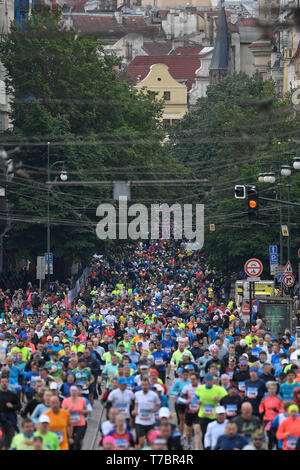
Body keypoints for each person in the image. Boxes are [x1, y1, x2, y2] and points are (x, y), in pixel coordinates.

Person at [196, 373, 227, 447]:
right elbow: (196, 396)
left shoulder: (218, 389)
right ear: (205, 381)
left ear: (212, 381)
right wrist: (198, 401)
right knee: (205, 434)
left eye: (210, 380)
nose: (209, 382)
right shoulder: (200, 388)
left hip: (214, 416)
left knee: (213, 434)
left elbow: (226, 399)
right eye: (207, 380)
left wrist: (219, 400)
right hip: (203, 415)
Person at [132, 377, 160, 449]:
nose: (144, 387)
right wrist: (135, 410)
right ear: (141, 385)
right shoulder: (137, 394)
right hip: (139, 421)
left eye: (146, 385)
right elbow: (136, 404)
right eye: (143, 385)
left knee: (150, 441)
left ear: (149, 385)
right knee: (141, 442)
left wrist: (154, 409)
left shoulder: (154, 395)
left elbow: (158, 405)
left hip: (150, 422)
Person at [61, 385, 88, 450]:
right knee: (70, 443)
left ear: (77, 392)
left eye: (75, 391)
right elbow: (63, 413)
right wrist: (69, 410)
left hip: (80, 423)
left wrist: (82, 411)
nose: (73, 392)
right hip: (69, 424)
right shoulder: (66, 400)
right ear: (70, 392)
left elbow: (87, 411)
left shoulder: (82, 400)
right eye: (72, 391)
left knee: (77, 441)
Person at [0, 375, 21, 449]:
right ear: (0, 383)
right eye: (2, 382)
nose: (4, 383)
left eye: (5, 382)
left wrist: (12, 406)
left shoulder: (13, 394)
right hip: (1, 420)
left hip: (11, 419)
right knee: (2, 440)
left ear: (8, 383)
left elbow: (19, 406)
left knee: (11, 439)